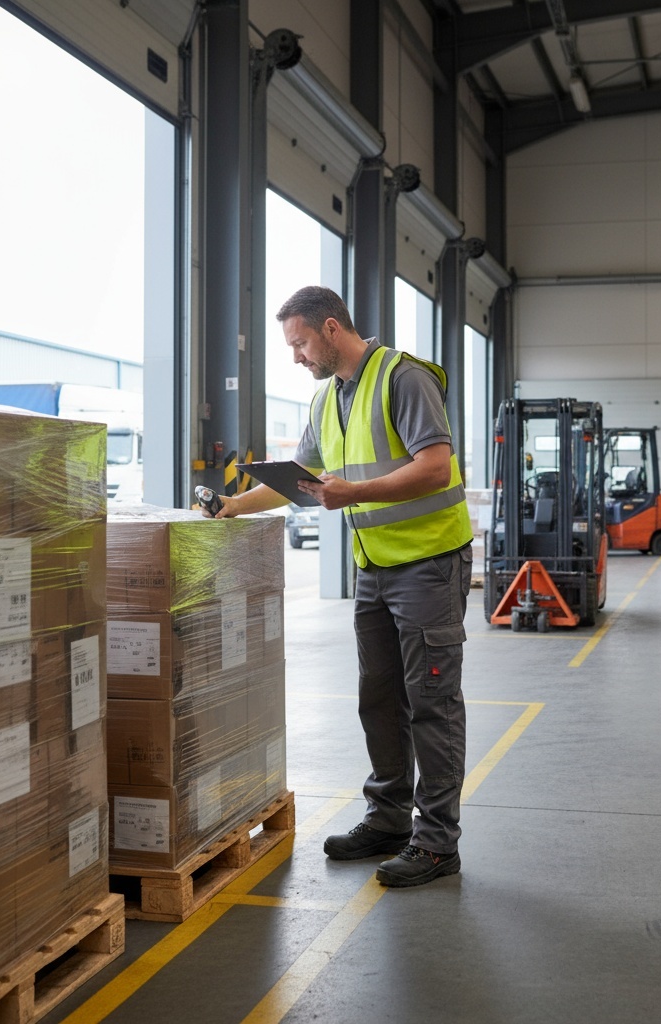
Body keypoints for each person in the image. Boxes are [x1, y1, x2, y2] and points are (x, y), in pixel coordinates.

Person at [206, 285, 473, 888]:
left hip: (429, 563)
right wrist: (233, 505)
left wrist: (353, 492)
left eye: (299, 343)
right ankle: (389, 820)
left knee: (431, 703)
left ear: (331, 328)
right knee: (379, 699)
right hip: (374, 567)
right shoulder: (326, 399)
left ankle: (437, 843)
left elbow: (436, 467)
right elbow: (298, 480)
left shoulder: (403, 379)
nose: (296, 357)